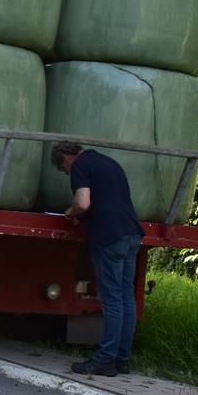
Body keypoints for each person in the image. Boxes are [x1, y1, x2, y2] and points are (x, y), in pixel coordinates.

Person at [51, 143, 146, 377]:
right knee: (126, 298)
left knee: (112, 299)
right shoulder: (109, 162)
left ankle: (105, 360)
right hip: (132, 233)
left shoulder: (80, 166)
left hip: (109, 238)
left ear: (66, 157)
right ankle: (122, 359)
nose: (65, 172)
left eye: (63, 167)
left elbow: (83, 203)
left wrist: (70, 212)